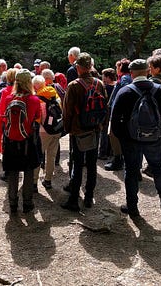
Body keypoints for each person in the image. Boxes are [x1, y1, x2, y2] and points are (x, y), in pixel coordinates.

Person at [110, 59, 161, 217]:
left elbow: (114, 119)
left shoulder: (124, 92)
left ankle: (132, 206)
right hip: (154, 138)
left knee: (131, 171)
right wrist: (160, 132)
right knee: (158, 167)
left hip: (131, 140)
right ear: (147, 71)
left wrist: (123, 137)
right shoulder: (159, 90)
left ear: (131, 73)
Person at [61, 53, 106, 211]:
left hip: (78, 130)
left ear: (79, 68)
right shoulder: (99, 83)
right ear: (90, 67)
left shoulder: (74, 85)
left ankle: (73, 199)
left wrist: (67, 129)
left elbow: (67, 111)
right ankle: (88, 197)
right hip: (94, 129)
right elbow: (104, 107)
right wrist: (100, 126)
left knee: (77, 165)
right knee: (92, 164)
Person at [2, 69, 41, 213]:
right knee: (29, 171)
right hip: (28, 141)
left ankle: (12, 204)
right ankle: (27, 203)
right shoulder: (34, 100)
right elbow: (38, 118)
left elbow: (4, 119)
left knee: (12, 172)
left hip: (11, 140)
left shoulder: (8, 99)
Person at [32, 74, 61, 190]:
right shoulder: (54, 94)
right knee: (51, 156)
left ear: (35, 86)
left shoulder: (37, 99)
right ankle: (48, 180)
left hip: (43, 131)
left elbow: (37, 118)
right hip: (56, 129)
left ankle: (34, 182)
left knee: (38, 156)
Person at [104, 58, 132, 171]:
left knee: (114, 135)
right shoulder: (126, 78)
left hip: (118, 114)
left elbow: (124, 94)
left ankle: (118, 160)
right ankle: (119, 159)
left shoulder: (125, 79)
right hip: (120, 113)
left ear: (121, 68)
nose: (116, 70)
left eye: (117, 67)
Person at [0, 68, 18, 181]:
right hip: (20, 124)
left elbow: (1, 110)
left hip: (8, 124)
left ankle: (7, 172)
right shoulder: (23, 91)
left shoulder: (6, 91)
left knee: (7, 147)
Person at [98, 68, 117, 160]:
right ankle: (111, 151)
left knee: (104, 132)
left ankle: (102, 153)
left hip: (106, 111)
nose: (102, 78)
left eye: (103, 76)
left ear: (108, 77)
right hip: (114, 111)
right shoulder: (117, 86)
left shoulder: (106, 88)